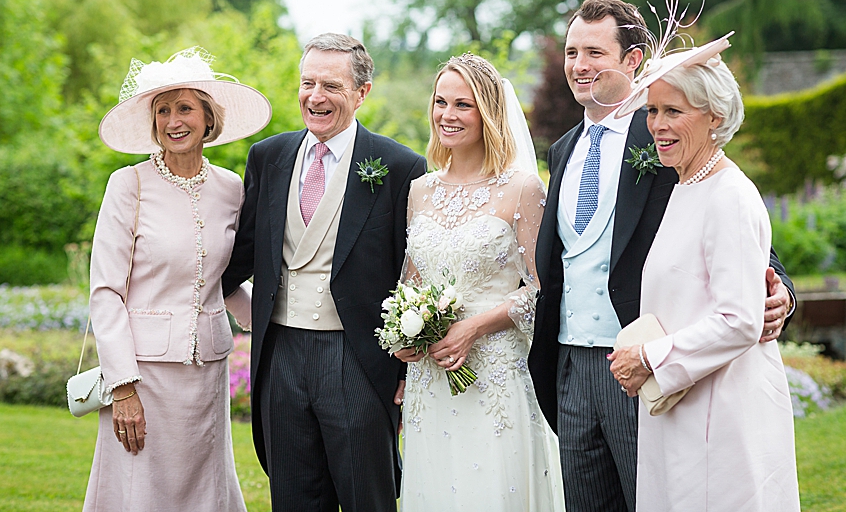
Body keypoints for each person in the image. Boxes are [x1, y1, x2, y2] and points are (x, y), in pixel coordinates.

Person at [527, 0, 796, 512]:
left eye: (594, 52)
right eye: (571, 52)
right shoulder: (562, 149)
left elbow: (740, 233)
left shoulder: (670, 136)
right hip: (569, 364)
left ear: (633, 60)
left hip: (645, 365)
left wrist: (780, 288)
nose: (579, 66)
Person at [221, 33, 426, 512]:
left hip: (357, 357)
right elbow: (240, 253)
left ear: (362, 92)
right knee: (292, 497)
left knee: (365, 497)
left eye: (331, 86)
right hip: (281, 357)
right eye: (307, 83)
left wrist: (401, 370)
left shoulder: (399, 167)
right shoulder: (268, 157)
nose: (315, 97)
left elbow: (411, 274)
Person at [607, 34, 801, 511]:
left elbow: (740, 320)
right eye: (653, 111)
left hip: (723, 411)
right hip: (682, 403)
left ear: (715, 116)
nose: (657, 125)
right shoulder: (686, 186)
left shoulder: (729, 196)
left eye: (674, 111)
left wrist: (651, 358)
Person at [84, 46, 271, 511]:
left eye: (184, 107)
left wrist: (278, 322)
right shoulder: (129, 185)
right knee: (138, 491)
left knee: (203, 490)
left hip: (206, 374)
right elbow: (106, 292)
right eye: (162, 110)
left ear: (208, 118)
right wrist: (122, 386)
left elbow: (224, 278)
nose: (173, 121)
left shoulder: (232, 188)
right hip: (141, 376)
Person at [394, 53, 564, 510]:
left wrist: (475, 326)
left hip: (495, 375)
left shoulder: (522, 188)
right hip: (430, 376)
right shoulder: (420, 190)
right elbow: (411, 283)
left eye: (463, 105)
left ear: (488, 112)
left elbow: (542, 290)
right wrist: (403, 334)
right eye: (441, 102)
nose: (448, 115)